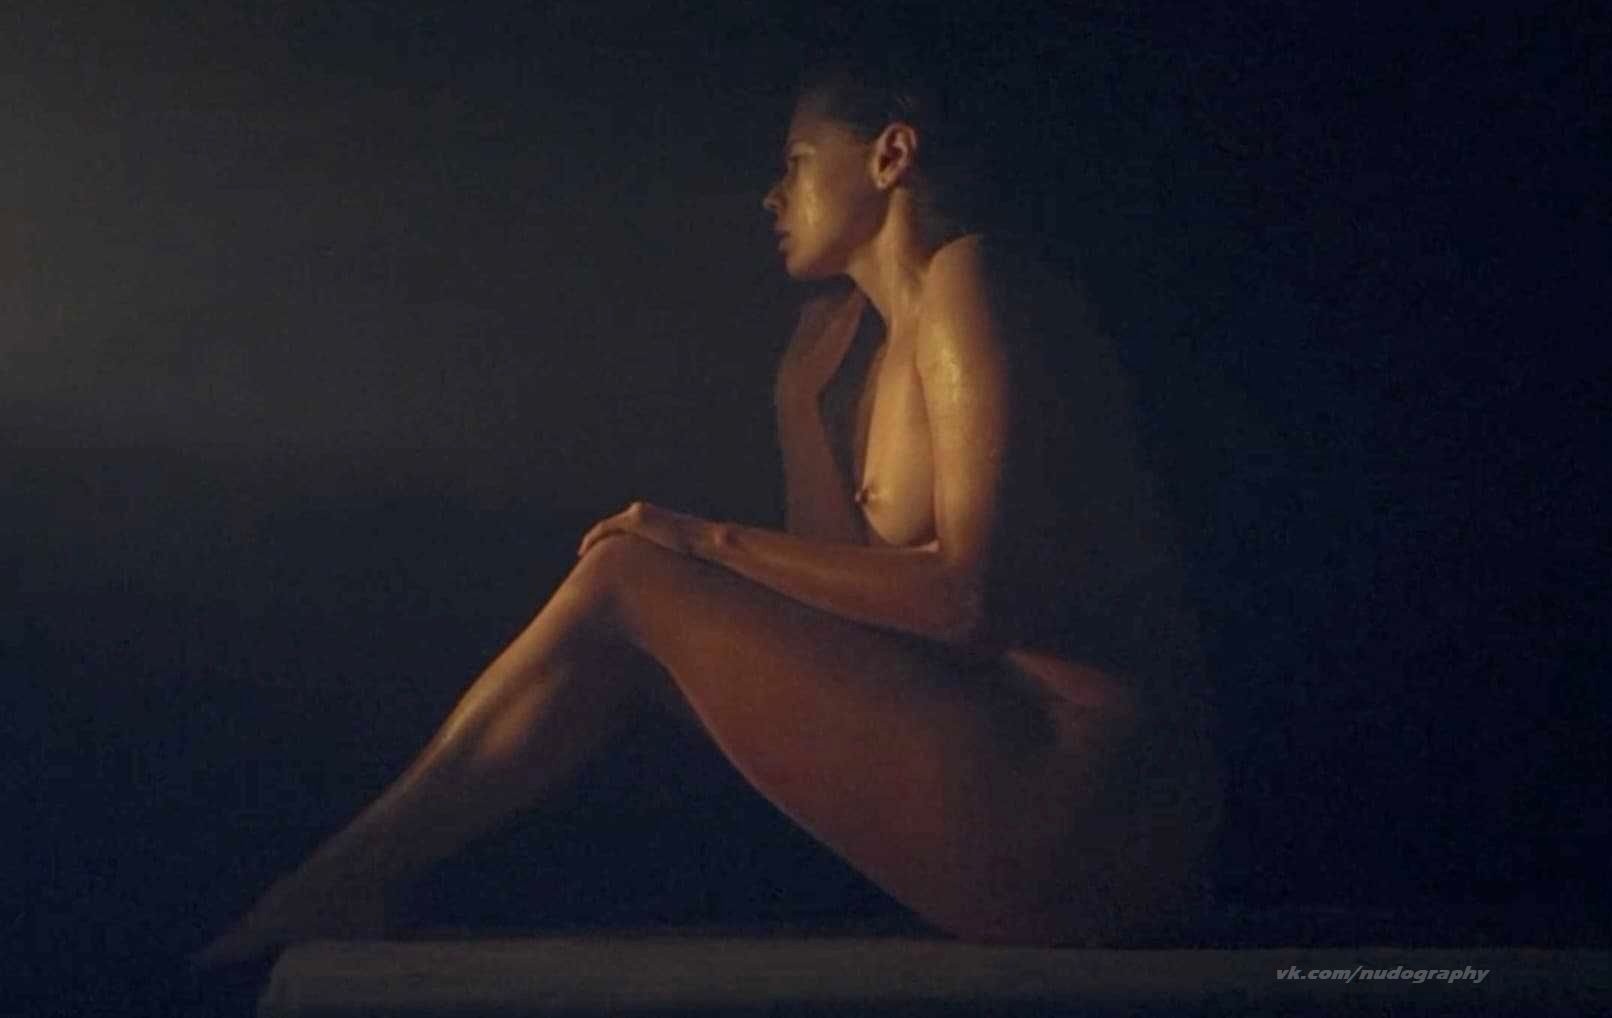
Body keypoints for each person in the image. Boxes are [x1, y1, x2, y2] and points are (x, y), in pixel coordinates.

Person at [194, 52, 1222, 964]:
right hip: (1001, 770)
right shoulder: (873, 358)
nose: (773, 195)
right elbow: (845, 616)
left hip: (1084, 803)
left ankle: (343, 878)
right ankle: (355, 874)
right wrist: (797, 410)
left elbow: (970, 599)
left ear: (890, 154)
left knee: (630, 573)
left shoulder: (973, 279)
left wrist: (699, 538)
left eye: (798, 161)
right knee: (632, 606)